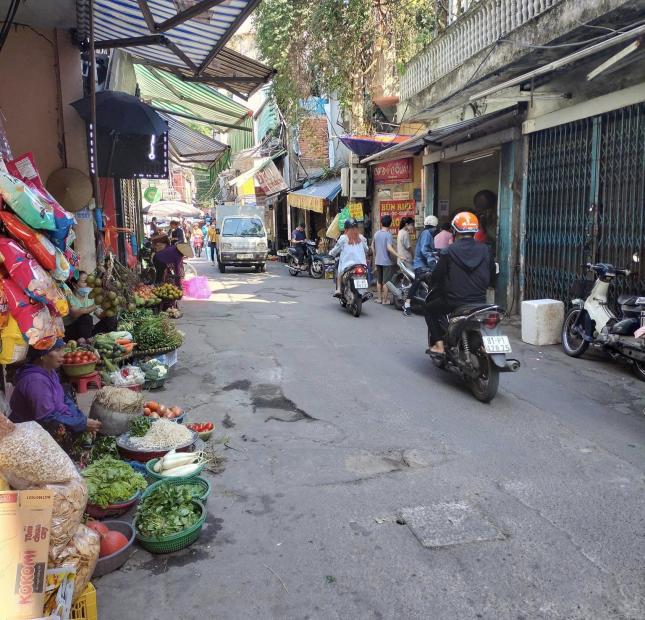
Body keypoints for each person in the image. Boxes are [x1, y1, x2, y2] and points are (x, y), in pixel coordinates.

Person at [424, 212, 495, 354]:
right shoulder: (485, 250)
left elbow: (437, 276)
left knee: (428, 309)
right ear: (474, 230)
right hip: (480, 301)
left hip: (454, 301)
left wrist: (431, 280)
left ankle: (439, 345)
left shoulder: (448, 251)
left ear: (454, 230)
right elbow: (492, 274)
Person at [9, 339, 102, 441]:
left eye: (63, 349)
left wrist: (82, 420)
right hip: (28, 434)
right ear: (42, 355)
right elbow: (47, 418)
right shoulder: (36, 381)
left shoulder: (50, 372)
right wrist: (82, 424)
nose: (63, 354)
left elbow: (64, 400)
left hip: (51, 420)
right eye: (57, 350)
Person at [403, 215, 438, 317]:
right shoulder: (427, 233)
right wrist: (432, 261)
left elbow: (430, 250)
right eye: (435, 227)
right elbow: (425, 250)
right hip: (421, 265)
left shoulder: (426, 233)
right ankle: (407, 304)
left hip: (424, 264)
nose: (436, 229)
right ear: (434, 226)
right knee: (418, 280)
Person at [329, 218, 369, 297]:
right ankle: (364, 290)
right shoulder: (361, 237)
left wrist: (331, 253)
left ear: (346, 229)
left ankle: (339, 289)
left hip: (348, 265)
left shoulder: (343, 238)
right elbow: (366, 249)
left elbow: (336, 250)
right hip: (361, 265)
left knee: (339, 272)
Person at [372, 215, 401, 305]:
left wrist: (375, 256)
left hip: (378, 260)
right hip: (386, 262)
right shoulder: (388, 235)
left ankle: (379, 299)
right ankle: (385, 300)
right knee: (386, 282)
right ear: (390, 224)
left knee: (379, 281)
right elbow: (389, 248)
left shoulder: (376, 233)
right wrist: (398, 255)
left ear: (381, 223)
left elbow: (372, 246)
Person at [63, 272, 97, 341]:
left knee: (110, 319)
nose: (88, 284)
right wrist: (96, 305)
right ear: (74, 285)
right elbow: (74, 313)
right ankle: (83, 345)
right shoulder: (69, 296)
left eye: (88, 281)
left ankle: (107, 342)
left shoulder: (90, 297)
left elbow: (100, 315)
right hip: (70, 332)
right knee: (86, 317)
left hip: (86, 331)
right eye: (85, 282)